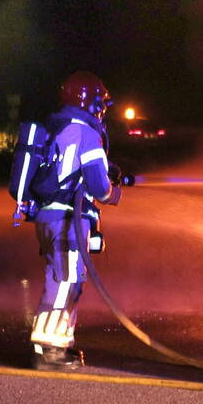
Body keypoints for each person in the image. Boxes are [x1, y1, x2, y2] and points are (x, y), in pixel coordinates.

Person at [29, 71, 122, 370]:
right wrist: (114, 193)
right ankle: (47, 352)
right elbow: (98, 186)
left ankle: (59, 345)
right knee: (65, 281)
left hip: (49, 216)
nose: (102, 108)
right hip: (68, 219)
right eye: (100, 102)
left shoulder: (58, 125)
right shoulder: (86, 132)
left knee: (65, 279)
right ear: (88, 101)